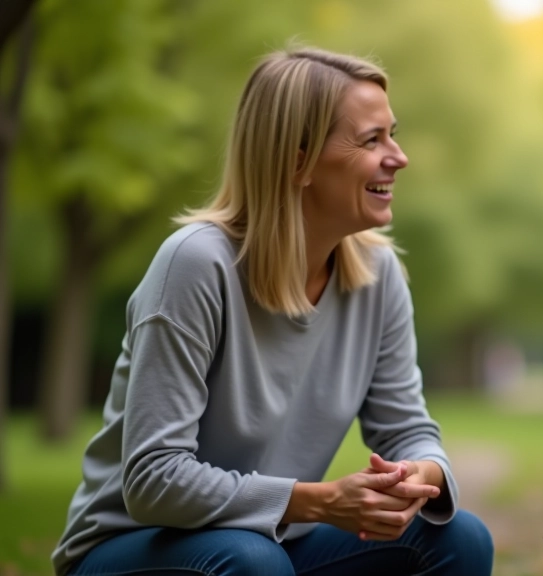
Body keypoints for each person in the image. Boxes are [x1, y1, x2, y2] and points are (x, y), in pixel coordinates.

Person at [52, 47, 493, 576]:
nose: (398, 157)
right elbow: (153, 479)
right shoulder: (195, 264)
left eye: (392, 134)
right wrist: (318, 500)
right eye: (372, 139)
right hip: (134, 546)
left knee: (458, 538)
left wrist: (416, 473)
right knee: (254, 562)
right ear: (297, 160)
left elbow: (407, 428)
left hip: (273, 546)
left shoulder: (379, 276)